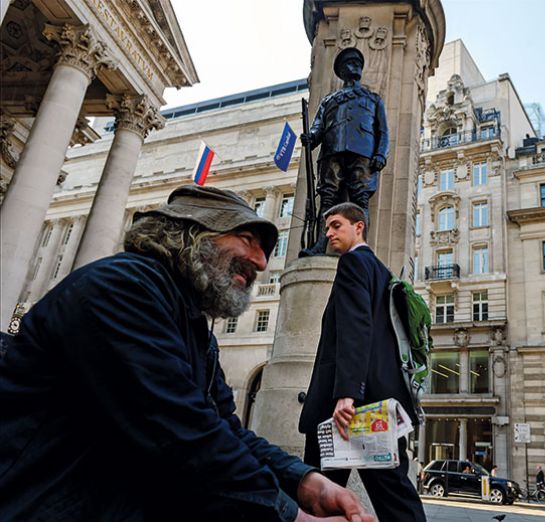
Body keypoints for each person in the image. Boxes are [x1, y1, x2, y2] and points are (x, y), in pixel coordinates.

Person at [0, 185, 374, 522]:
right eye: (247, 239)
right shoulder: (123, 288)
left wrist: (305, 481)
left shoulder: (194, 328)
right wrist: (291, 517)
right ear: (193, 236)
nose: (261, 262)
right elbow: (178, 430)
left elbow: (225, 428)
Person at [298, 202, 425, 522]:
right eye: (327, 227)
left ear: (359, 227)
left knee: (318, 496)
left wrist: (347, 394)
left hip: (345, 409)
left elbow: (356, 328)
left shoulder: (354, 263)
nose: (328, 234)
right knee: (393, 495)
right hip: (377, 403)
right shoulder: (382, 271)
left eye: (336, 225)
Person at [300, 48, 389, 257]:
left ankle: (360, 248)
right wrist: (311, 138)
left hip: (363, 154)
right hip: (332, 152)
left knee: (361, 201)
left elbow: (383, 131)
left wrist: (381, 154)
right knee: (328, 200)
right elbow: (317, 127)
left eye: (358, 62)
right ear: (342, 70)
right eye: (350, 63)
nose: (356, 66)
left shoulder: (373, 99)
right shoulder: (329, 100)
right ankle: (320, 246)